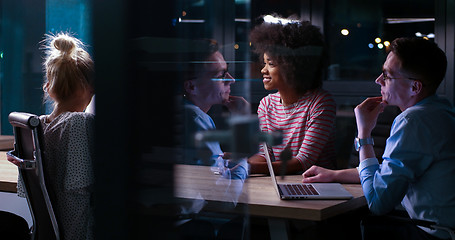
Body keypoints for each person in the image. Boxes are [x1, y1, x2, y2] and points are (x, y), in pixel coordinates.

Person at [302, 37, 455, 240]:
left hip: (430, 234)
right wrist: (333, 174)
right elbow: (385, 174)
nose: (378, 81)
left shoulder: (413, 121)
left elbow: (378, 202)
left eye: (387, 75)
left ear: (415, 88)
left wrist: (364, 133)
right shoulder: (441, 110)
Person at [14, 33, 95, 240]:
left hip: (52, 230)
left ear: (49, 88)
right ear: (90, 88)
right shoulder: (79, 123)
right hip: (78, 231)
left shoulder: (37, 126)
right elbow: (81, 188)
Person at [248, 14, 337, 175]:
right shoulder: (266, 105)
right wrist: (240, 161)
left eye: (271, 64)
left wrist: (248, 168)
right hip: (281, 182)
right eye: (264, 63)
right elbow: (264, 155)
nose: (263, 70)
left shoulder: (320, 103)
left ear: (293, 66)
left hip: (319, 186)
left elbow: (303, 162)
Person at [182, 38, 249, 170]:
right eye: (220, 76)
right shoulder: (196, 119)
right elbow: (227, 188)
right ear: (191, 87)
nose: (231, 80)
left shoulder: (189, 114)